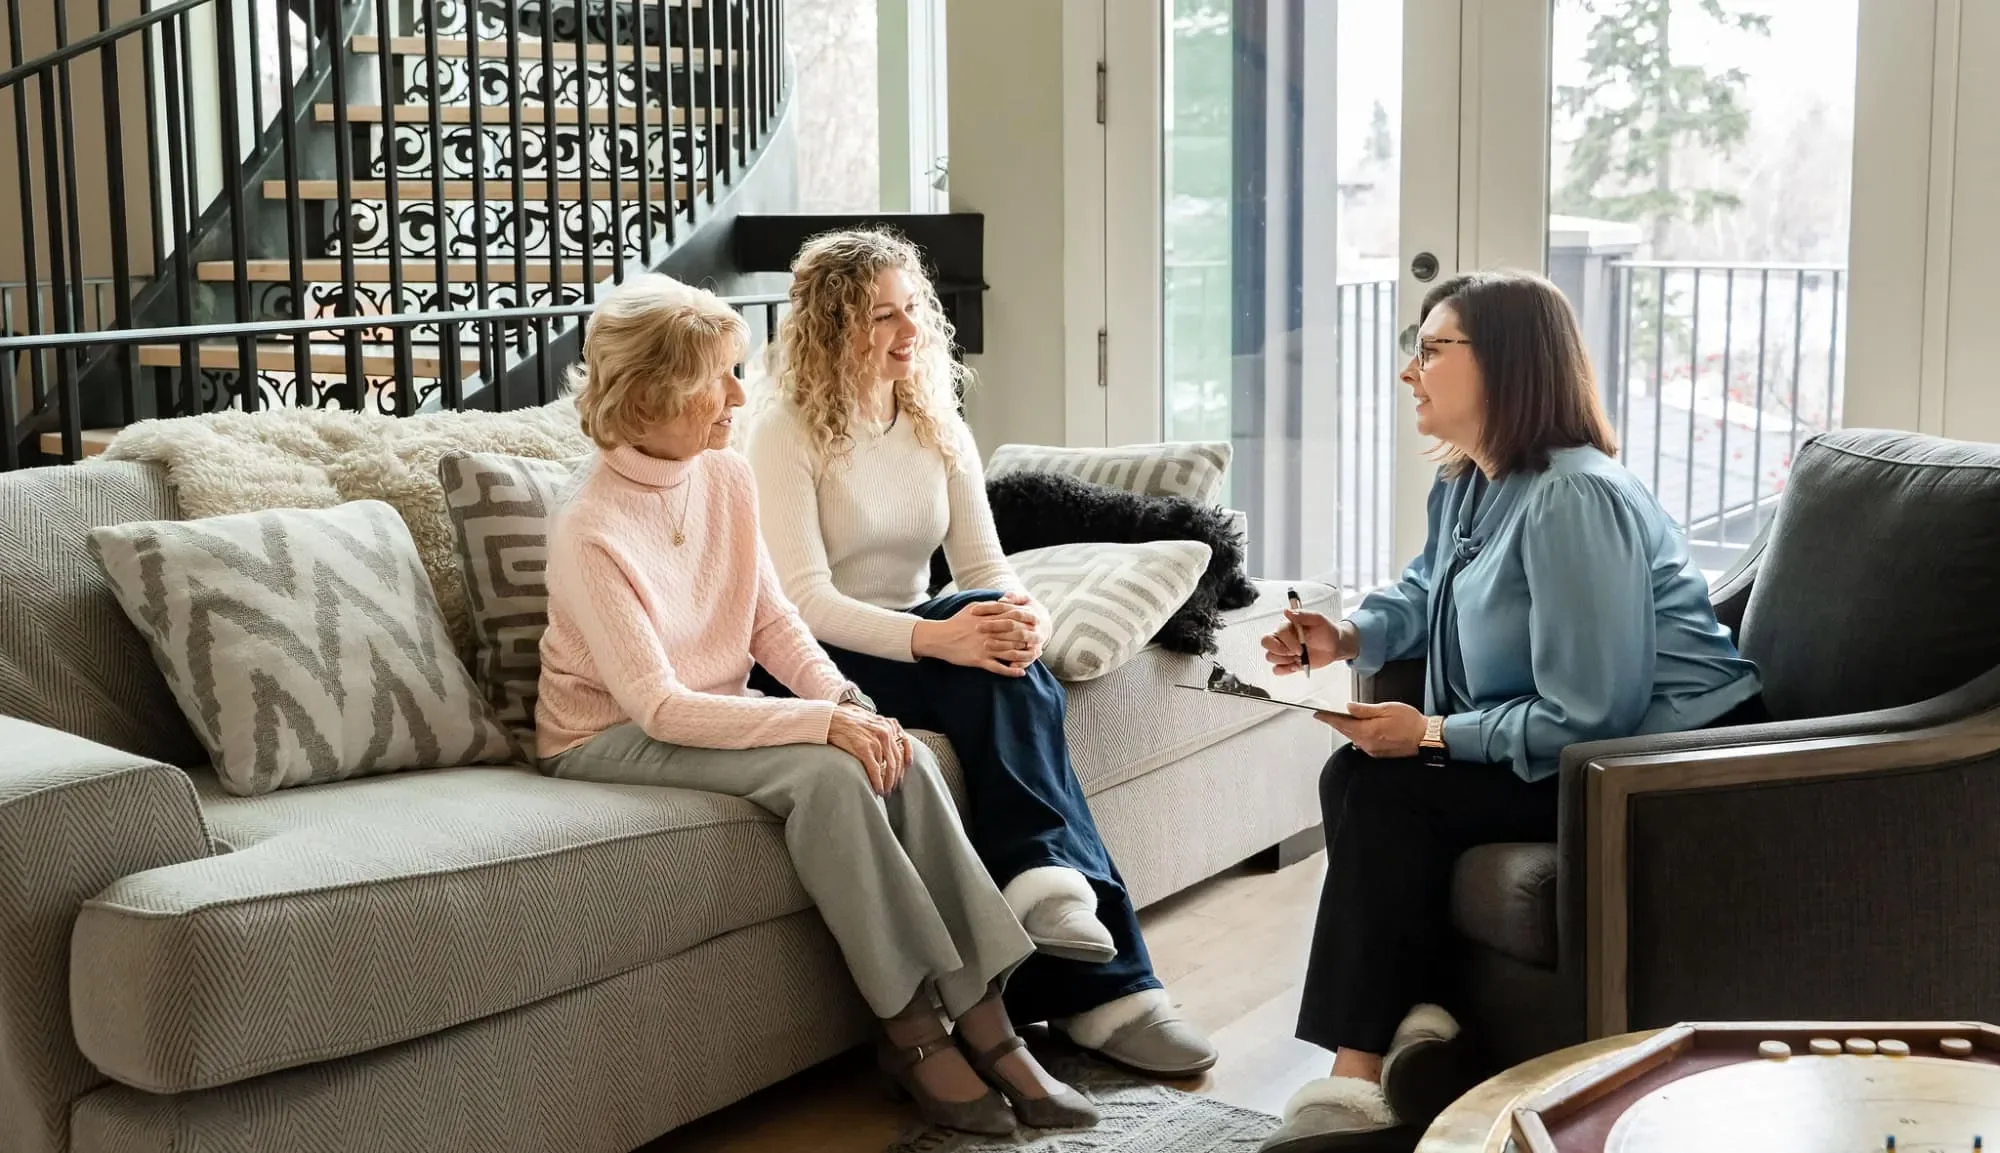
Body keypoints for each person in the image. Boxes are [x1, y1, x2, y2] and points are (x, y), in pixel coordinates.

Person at [535, 273, 1097, 1135]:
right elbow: (660, 706)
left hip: (708, 707)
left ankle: (991, 1023)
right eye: (718, 377)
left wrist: (849, 701)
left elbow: (772, 620)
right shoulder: (589, 526)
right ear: (650, 394)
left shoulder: (723, 474)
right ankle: (913, 1034)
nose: (738, 395)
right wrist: (822, 724)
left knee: (900, 754)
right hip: (605, 735)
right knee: (831, 776)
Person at [1254, 271, 1763, 1153]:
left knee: (1386, 786)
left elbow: (1596, 710)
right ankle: (1413, 1031)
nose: (1409, 372)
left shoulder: (1575, 496)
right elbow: (1426, 591)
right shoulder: (1470, 482)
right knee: (1358, 775)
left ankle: (1360, 1079)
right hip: (1570, 746)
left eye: (1430, 350)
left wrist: (1432, 732)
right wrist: (1346, 635)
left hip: (1655, 764)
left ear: (1507, 362)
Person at [743, 228, 1218, 1079]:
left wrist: (1023, 617)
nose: (909, 331)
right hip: (813, 659)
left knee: (1005, 655)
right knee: (982, 650)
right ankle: (1109, 983)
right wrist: (942, 633)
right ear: (831, 327)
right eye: (881, 316)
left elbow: (988, 570)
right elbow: (801, 601)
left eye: (912, 309)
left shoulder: (934, 419)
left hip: (918, 641)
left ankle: (1061, 910)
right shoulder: (784, 432)